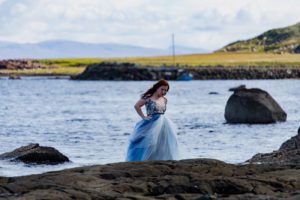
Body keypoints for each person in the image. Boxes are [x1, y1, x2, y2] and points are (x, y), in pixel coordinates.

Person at [126, 79, 179, 161]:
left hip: (163, 123)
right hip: (151, 123)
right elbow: (137, 106)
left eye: (166, 90)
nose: (164, 92)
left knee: (164, 142)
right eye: (162, 89)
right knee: (148, 142)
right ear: (157, 87)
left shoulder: (164, 100)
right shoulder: (148, 97)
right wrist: (143, 117)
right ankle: (143, 159)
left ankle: (163, 160)